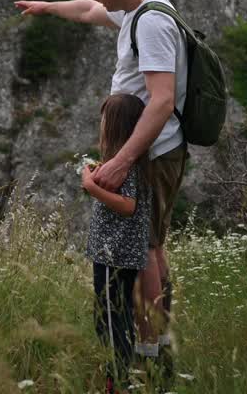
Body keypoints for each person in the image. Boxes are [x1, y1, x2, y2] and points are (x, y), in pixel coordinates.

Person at [16, 0, 188, 364]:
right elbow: (88, 12)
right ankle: (157, 343)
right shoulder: (140, 9)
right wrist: (48, 7)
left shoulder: (150, 26)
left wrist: (120, 161)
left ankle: (150, 352)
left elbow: (162, 101)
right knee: (153, 245)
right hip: (155, 149)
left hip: (153, 151)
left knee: (146, 250)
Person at [83, 93, 151, 390]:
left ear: (116, 127)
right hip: (116, 252)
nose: (101, 126)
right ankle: (121, 373)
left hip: (115, 253)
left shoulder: (128, 165)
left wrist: (90, 187)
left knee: (109, 318)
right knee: (116, 314)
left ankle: (117, 378)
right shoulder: (124, 162)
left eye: (104, 120)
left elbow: (128, 205)